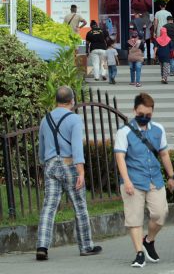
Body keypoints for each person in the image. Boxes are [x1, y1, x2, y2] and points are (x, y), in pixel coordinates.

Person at [36, 86, 103, 261]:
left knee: (49, 207)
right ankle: (86, 246)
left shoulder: (45, 119)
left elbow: (41, 149)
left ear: (56, 100)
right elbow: (77, 148)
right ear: (72, 100)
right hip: (69, 165)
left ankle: (42, 246)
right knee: (79, 207)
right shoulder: (74, 119)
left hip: (51, 165)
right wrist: (80, 171)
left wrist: (45, 165)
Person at [114, 93, 174, 268]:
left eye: (148, 115)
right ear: (134, 110)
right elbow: (120, 157)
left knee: (160, 214)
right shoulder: (124, 132)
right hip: (133, 180)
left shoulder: (158, 129)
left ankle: (149, 240)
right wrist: (126, 181)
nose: (144, 118)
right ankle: (139, 253)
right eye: (141, 114)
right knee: (134, 219)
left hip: (155, 179)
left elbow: (164, 153)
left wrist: (172, 176)